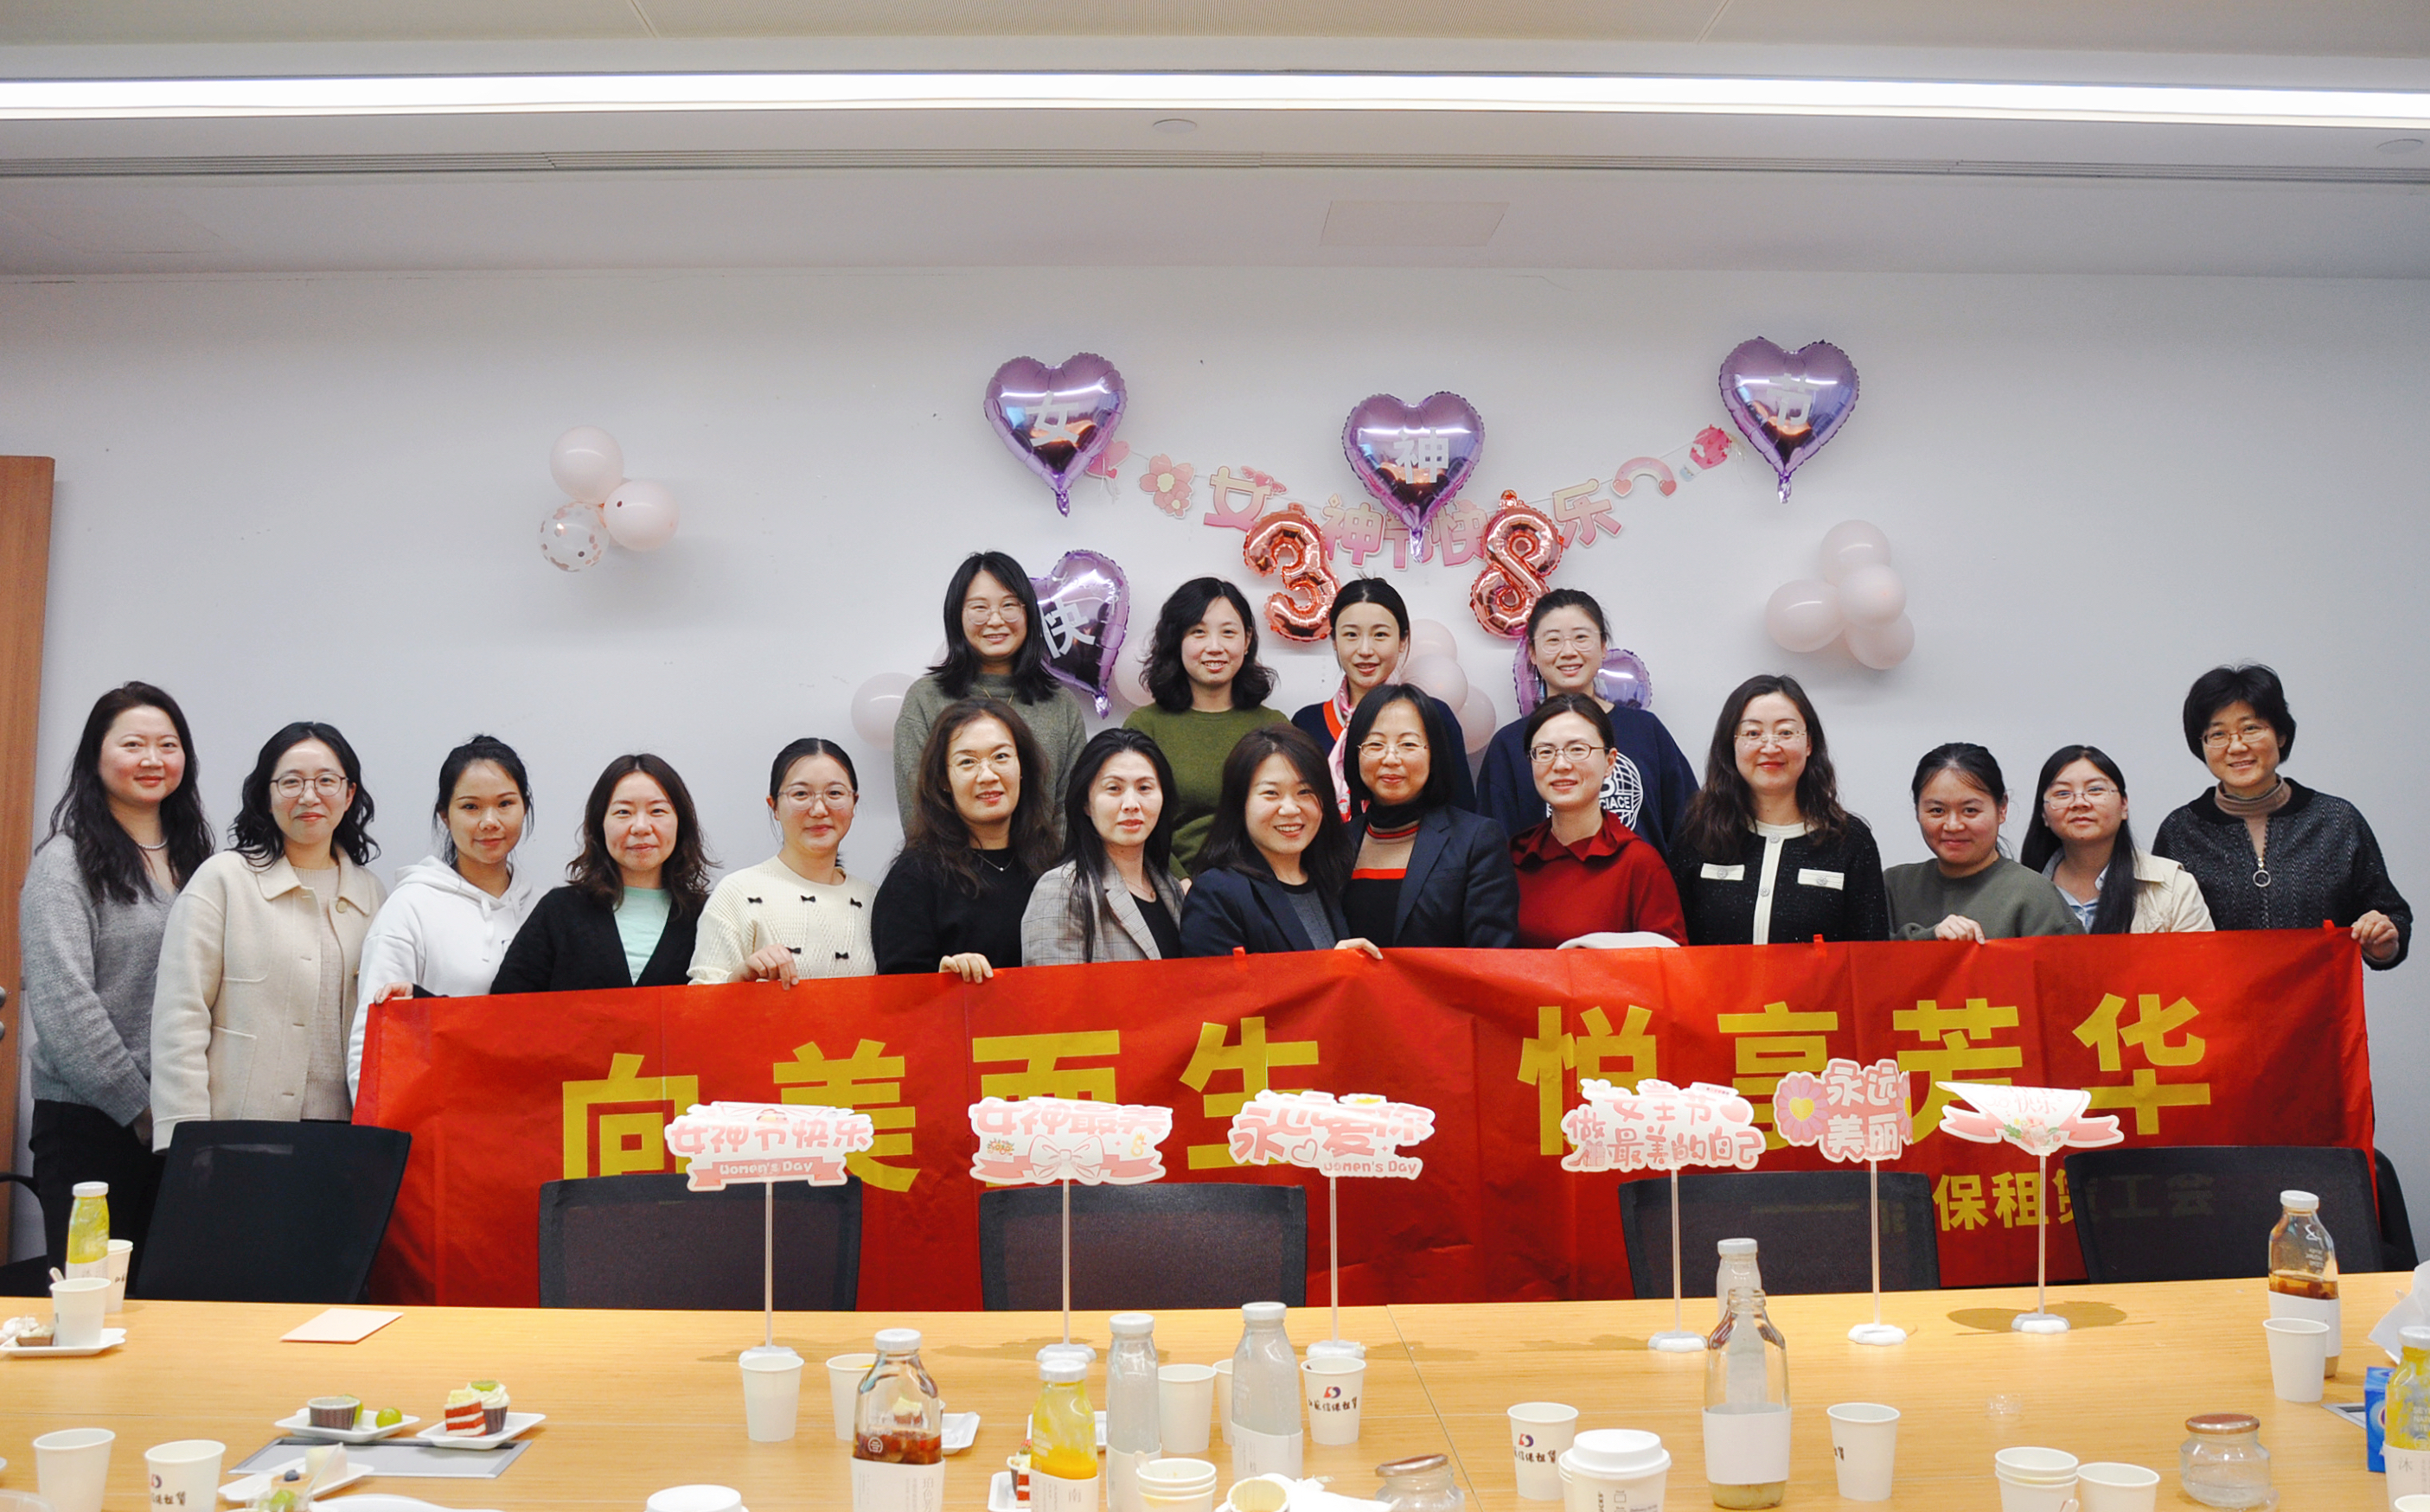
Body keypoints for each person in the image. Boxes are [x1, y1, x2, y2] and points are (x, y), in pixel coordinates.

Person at [18, 683, 210, 1266]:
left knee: (173, 1294)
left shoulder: (198, 859)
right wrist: (141, 1108)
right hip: (93, 1122)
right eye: (133, 744)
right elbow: (64, 1006)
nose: (153, 759)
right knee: (96, 1294)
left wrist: (180, 1112)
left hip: (178, 1117)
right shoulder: (64, 862)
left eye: (168, 745)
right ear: (95, 756)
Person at [150, 721, 386, 1149]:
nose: (309, 796)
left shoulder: (372, 894)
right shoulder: (224, 880)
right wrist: (183, 1138)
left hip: (346, 1138)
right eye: (291, 782)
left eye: (326, 781)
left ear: (349, 794)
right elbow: (180, 1018)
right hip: (239, 1132)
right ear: (266, 795)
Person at [2153, 663, 2409, 968]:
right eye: (2218, 734)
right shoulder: (2180, 831)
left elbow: (2390, 913)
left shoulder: (2336, 820)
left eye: (2251, 728)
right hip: (2217, 999)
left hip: (2318, 998)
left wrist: (2382, 940)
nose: (2237, 746)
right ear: (2202, 746)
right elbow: (2156, 933)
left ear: (2281, 735)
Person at [349, 736, 544, 1099]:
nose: (490, 821)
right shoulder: (410, 906)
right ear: (445, 815)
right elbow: (372, 1037)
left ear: (525, 807)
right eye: (471, 807)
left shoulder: (544, 910)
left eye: (505, 804)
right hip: (437, 1113)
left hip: (525, 1114)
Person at [1666, 675, 1890, 945]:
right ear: (1731, 744)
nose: (1770, 747)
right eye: (1753, 733)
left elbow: (1871, 955)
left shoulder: (1850, 840)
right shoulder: (1699, 833)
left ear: (1809, 744)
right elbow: (1675, 944)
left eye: (1785, 733)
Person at [1475, 590, 1699, 858]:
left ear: (1603, 647)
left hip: (1641, 882)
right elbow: (1495, 852)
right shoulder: (1509, 745)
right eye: (1553, 640)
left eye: (1581, 637)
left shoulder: (1646, 731)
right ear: (1532, 653)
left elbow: (1690, 827)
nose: (1568, 652)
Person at [892, 551, 1088, 833]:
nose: (995, 620)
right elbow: (918, 811)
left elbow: (1069, 812)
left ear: (1029, 613)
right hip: (946, 861)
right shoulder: (925, 699)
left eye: (1009, 605)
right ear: (957, 616)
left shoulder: (1060, 704)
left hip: (1045, 862)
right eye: (979, 608)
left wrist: (1045, 864)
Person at [873, 696, 1058, 980]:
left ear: (1022, 767)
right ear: (943, 781)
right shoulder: (914, 876)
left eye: (1001, 757)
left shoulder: (1054, 865)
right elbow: (899, 994)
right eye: (967, 762)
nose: (987, 775)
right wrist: (943, 979)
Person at [491, 755, 712, 992]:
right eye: (623, 812)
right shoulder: (559, 911)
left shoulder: (710, 916)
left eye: (657, 811)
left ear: (680, 822)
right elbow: (506, 1004)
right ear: (600, 824)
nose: (640, 827)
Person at [1122, 577, 1289, 873]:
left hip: (1259, 882)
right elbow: (1130, 818)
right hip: (1168, 882)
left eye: (1228, 633)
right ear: (1177, 640)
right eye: (1198, 632)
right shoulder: (1146, 726)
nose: (1215, 647)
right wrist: (1179, 882)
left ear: (1247, 640)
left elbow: (1290, 815)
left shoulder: (1275, 726)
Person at [1179, 724, 1382, 958]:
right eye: (1271, 793)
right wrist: (1327, 969)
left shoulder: (1331, 876)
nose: (1290, 809)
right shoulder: (1217, 893)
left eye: (1305, 792)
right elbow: (1215, 982)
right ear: (1240, 802)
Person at [1340, 684, 1519, 949]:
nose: (1391, 758)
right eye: (1375, 744)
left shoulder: (1476, 840)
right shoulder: (1338, 842)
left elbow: (1494, 956)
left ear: (1434, 753)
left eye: (1408, 744)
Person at [690, 738, 876, 986]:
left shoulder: (873, 900)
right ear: (774, 806)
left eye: (835, 793)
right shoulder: (738, 893)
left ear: (854, 802)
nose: (819, 809)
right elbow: (699, 1000)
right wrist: (740, 977)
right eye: (801, 794)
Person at [1507, 694, 1687, 948]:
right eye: (1545, 752)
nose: (1561, 764)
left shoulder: (1639, 864)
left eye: (1577, 750)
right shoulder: (1515, 859)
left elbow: (1668, 962)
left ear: (1610, 762)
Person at [1289, 579, 1473, 820]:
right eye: (1351, 635)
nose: (1365, 650)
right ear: (1334, 641)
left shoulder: (1434, 717)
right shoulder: (1307, 723)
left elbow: (1461, 817)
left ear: (1402, 640)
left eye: (1380, 635)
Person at [1021, 729, 1190, 965]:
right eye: (1114, 788)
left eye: (1144, 788)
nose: (1131, 804)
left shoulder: (1170, 887)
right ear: (1086, 803)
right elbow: (1052, 989)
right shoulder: (1061, 889)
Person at [1885, 743, 2081, 941]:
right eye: (1937, 811)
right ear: (1917, 811)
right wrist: (1930, 938)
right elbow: (1871, 954)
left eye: (1970, 810)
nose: (1953, 826)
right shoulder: (1893, 886)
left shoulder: (2035, 895)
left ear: (2002, 808)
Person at [2018, 744, 2214, 935]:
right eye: (2062, 793)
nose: (2080, 802)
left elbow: (2198, 958)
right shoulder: (2019, 890)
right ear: (2044, 814)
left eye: (2095, 790)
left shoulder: (2174, 887)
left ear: (2124, 805)